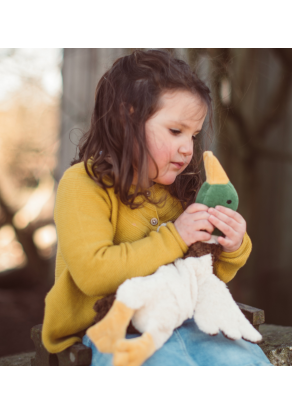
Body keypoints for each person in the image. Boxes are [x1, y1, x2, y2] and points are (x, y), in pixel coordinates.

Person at [42, 49, 272, 366]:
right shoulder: (83, 184)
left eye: (193, 135)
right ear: (127, 118)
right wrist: (175, 237)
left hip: (184, 319)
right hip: (110, 327)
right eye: (175, 131)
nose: (187, 148)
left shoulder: (181, 189)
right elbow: (94, 273)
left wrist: (231, 247)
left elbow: (201, 275)